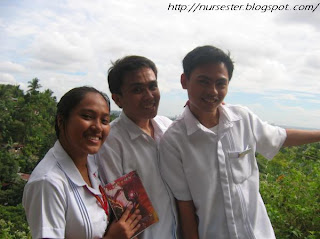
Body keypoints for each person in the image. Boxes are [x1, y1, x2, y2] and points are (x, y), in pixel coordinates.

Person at [159, 45, 320, 239]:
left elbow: (280, 137)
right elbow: (185, 208)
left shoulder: (242, 119)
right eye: (203, 81)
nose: (213, 91)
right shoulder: (173, 142)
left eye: (221, 83)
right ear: (184, 81)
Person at [23, 86, 142, 239]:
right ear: (61, 120)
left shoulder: (93, 163)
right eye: (87, 116)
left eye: (104, 120)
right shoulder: (48, 182)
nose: (97, 127)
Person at [95, 56, 179, 238]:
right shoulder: (111, 144)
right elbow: (130, 217)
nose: (149, 95)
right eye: (137, 89)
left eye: (152, 86)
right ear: (118, 99)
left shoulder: (166, 128)